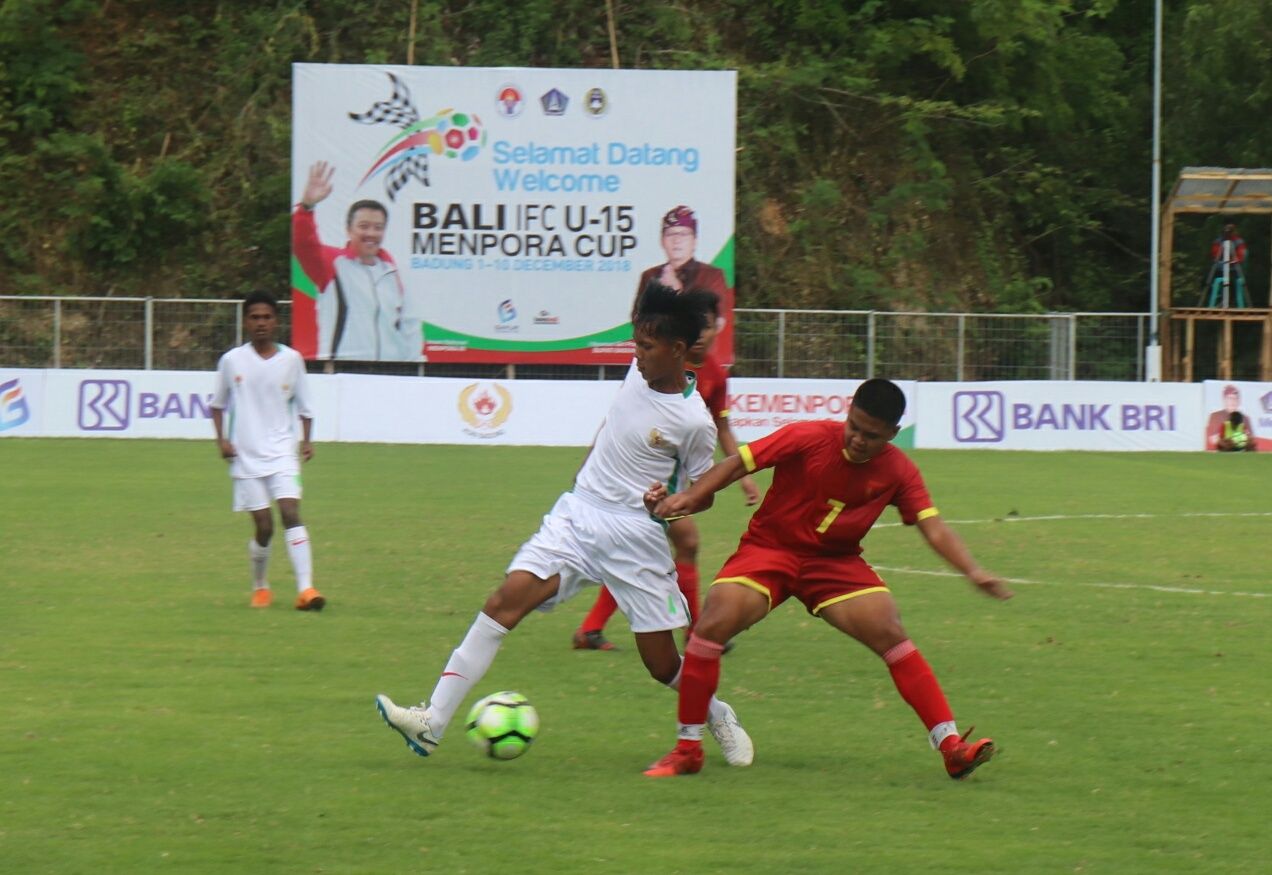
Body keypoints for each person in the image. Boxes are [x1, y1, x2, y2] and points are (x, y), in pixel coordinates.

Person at [375, 282, 754, 769]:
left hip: (634, 538)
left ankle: (718, 714)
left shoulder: (692, 420)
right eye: (635, 342)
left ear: (678, 351)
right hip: (577, 516)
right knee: (503, 603)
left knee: (662, 665)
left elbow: (701, 494)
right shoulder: (636, 374)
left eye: (646, 346)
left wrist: (668, 505)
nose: (635, 354)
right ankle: (432, 722)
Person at [642, 378, 1012, 780]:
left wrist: (973, 570)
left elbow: (934, 527)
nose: (857, 439)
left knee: (890, 631)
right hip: (771, 550)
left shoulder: (900, 471)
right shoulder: (809, 436)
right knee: (714, 622)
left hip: (835, 565)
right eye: (854, 426)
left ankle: (951, 747)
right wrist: (692, 498)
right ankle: (688, 749)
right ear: (848, 411)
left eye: (872, 436)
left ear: (893, 433)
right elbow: (738, 464)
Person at [572, 292, 760, 651]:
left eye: (709, 327)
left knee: (643, 550)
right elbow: (620, 418)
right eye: (699, 327)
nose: (704, 335)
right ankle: (691, 632)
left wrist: (745, 478)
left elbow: (722, 428)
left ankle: (593, 628)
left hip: (668, 482)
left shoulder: (716, 377)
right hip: (639, 484)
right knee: (674, 544)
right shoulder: (650, 365)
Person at [210, 292, 325, 611]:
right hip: (245, 458)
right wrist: (221, 440)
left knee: (290, 513)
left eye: (267, 317)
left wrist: (306, 440)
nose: (261, 323)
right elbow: (217, 405)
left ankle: (307, 589)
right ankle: (260, 586)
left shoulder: (291, 360)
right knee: (264, 526)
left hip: (282, 455)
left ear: (276, 321)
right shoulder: (232, 360)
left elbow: (306, 407)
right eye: (255, 317)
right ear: (246, 321)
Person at [292, 161, 420, 361]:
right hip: (344, 373)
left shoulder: (393, 272)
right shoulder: (332, 265)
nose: (371, 233)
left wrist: (413, 367)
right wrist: (306, 207)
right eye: (364, 226)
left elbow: (410, 326)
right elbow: (303, 245)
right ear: (349, 230)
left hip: (391, 375)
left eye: (378, 227)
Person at [633, 206, 734, 359]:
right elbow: (638, 320)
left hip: (698, 362)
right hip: (661, 362)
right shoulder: (650, 276)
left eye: (683, 234)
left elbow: (715, 323)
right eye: (670, 234)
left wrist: (676, 293)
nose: (676, 240)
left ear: (694, 240)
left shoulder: (713, 275)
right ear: (662, 241)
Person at [1206, 223, 1248, 308]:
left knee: (1234, 281)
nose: (1228, 233)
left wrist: (1232, 261)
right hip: (1220, 268)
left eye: (1230, 231)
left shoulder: (1238, 241)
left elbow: (1241, 256)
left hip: (1234, 269)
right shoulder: (1218, 241)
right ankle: (1218, 301)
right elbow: (1214, 255)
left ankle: (1230, 301)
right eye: (1226, 231)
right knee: (1210, 281)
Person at [1206, 384, 1258, 451]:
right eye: (1230, 398)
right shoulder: (1216, 418)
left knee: (1252, 446)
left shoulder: (1245, 420)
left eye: (1235, 398)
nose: (1233, 401)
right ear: (1224, 400)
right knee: (1223, 445)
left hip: (1240, 445)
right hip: (1228, 445)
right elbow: (1217, 440)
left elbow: (1250, 438)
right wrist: (1230, 442)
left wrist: (1245, 441)